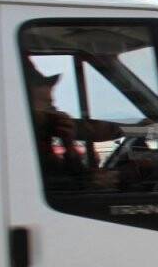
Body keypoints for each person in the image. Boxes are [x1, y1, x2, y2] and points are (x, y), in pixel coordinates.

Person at [26, 60, 124, 190]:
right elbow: (48, 184)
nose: (54, 112)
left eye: (52, 106)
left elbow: (62, 173)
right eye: (48, 105)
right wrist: (90, 182)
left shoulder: (42, 138)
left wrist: (69, 145)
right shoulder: (23, 143)